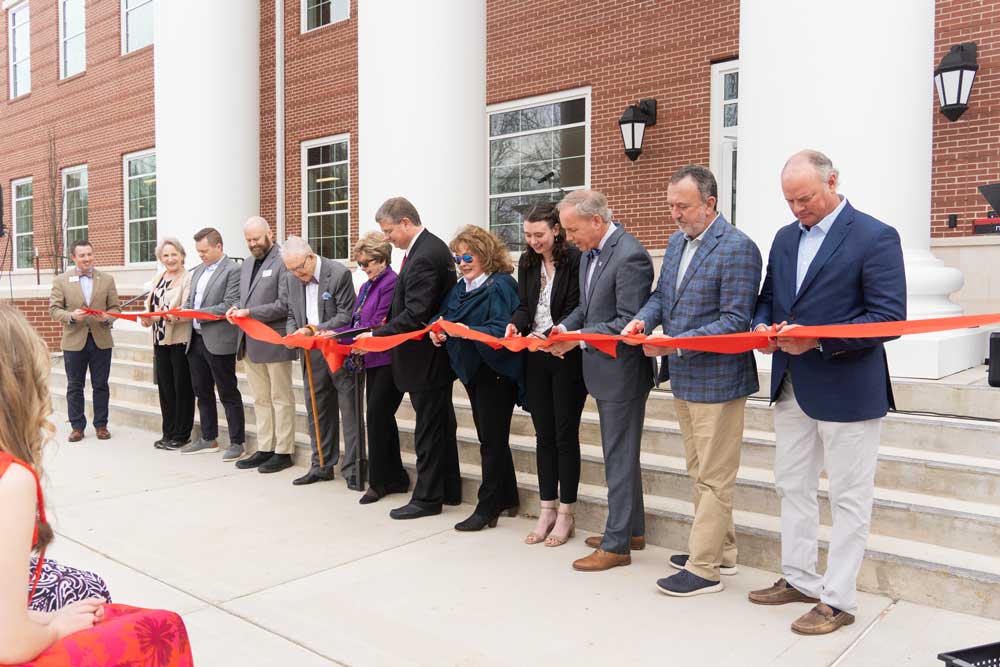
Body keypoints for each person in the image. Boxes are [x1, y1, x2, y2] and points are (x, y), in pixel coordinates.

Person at [748, 150, 906, 635]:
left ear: (833, 181)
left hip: (848, 386)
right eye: (790, 201)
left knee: (848, 497)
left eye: (806, 198)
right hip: (791, 383)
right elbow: (769, 297)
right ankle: (799, 578)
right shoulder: (783, 238)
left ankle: (837, 599)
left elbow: (887, 318)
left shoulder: (875, 236)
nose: (797, 209)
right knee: (791, 486)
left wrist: (816, 337)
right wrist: (761, 327)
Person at [0, 303, 193, 667]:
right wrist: (56, 627)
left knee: (88, 594)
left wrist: (47, 619)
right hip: (11, 640)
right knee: (162, 626)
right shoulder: (11, 479)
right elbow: (8, 644)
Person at [623, 165, 762, 596]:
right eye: (671, 206)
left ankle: (704, 569)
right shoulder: (677, 242)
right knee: (700, 470)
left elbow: (736, 321)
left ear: (710, 203)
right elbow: (662, 297)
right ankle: (724, 552)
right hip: (683, 377)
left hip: (719, 380)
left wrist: (675, 343)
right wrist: (642, 321)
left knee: (714, 478)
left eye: (682, 206)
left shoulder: (738, 248)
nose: (675, 214)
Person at [546, 190, 655, 572]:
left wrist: (576, 340)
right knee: (620, 455)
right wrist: (562, 328)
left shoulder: (631, 256)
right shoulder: (587, 255)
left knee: (619, 457)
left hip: (622, 373)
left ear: (597, 221)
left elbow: (626, 320)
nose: (568, 237)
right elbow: (586, 309)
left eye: (573, 229)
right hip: (600, 369)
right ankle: (632, 532)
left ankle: (616, 545)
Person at [356, 197, 461, 520]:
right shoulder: (423, 250)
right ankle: (450, 488)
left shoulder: (425, 254)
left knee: (429, 428)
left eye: (389, 231)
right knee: (441, 424)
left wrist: (377, 335)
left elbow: (416, 311)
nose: (387, 238)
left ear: (405, 222)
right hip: (427, 356)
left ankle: (428, 498)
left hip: (425, 357)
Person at [430, 226, 522, 531]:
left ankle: (488, 506)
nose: (462, 263)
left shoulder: (501, 285)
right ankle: (507, 496)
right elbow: (443, 316)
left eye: (468, 256)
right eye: (458, 257)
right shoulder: (460, 287)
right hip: (469, 369)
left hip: (495, 370)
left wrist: (463, 330)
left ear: (485, 254)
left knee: (491, 441)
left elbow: (501, 325)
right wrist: (438, 331)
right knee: (489, 435)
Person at [505, 203, 586, 547]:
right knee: (544, 435)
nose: (533, 241)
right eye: (527, 235)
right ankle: (547, 508)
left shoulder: (576, 259)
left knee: (565, 435)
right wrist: (515, 323)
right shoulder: (527, 262)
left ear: (556, 230)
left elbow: (579, 306)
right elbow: (526, 305)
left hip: (566, 354)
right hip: (535, 354)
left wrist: (557, 332)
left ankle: (566, 513)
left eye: (539, 234)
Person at [282, 236, 358, 487]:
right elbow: (292, 313)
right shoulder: (292, 278)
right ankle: (321, 464)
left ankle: (354, 469)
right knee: (318, 409)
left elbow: (346, 316)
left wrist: (312, 330)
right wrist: (295, 333)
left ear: (311, 257)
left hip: (337, 350)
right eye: (290, 269)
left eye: (299, 268)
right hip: (310, 352)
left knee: (349, 410)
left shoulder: (338, 274)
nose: (296, 274)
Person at [341, 232, 410, 505]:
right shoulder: (367, 285)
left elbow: (380, 322)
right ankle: (395, 477)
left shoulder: (391, 283)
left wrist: (359, 337)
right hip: (370, 358)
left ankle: (380, 481)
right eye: (360, 264)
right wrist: (334, 334)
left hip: (388, 359)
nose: (364, 268)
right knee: (381, 419)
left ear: (382, 260)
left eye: (367, 263)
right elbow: (358, 320)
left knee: (378, 418)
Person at [226, 217, 297, 474]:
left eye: (256, 238)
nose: (253, 244)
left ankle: (284, 450)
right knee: (260, 399)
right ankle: (266, 447)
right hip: (249, 341)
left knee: (281, 398)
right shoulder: (246, 264)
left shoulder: (283, 261)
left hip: (274, 340)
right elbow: (243, 299)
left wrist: (249, 312)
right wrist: (236, 309)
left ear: (270, 233)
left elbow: (284, 304)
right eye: (248, 240)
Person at [181, 227, 246, 462]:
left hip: (219, 340)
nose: (202, 256)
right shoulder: (197, 271)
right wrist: (185, 311)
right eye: (198, 252)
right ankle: (209, 437)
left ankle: (237, 442)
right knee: (202, 391)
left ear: (219, 246)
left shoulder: (233, 270)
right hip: (195, 338)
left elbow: (229, 304)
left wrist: (194, 312)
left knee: (227, 392)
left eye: (205, 251)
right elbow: (190, 299)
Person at [49, 239, 120, 443]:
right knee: (74, 385)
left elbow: (116, 308)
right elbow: (54, 310)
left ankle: (101, 425)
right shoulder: (61, 280)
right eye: (82, 255)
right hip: (74, 341)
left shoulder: (106, 279)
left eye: (89, 254)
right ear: (74, 257)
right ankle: (77, 427)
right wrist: (72, 316)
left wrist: (107, 317)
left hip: (101, 340)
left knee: (101, 385)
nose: (87, 258)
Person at [139, 238, 195, 451]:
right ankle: (168, 431)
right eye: (165, 255)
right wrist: (147, 318)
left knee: (182, 387)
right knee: (165, 388)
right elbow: (150, 305)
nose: (170, 259)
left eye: (174, 254)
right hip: (160, 339)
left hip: (179, 338)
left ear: (182, 255)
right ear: (160, 259)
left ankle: (182, 434)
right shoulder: (158, 277)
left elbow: (188, 308)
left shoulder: (188, 277)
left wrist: (173, 316)